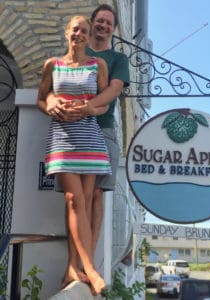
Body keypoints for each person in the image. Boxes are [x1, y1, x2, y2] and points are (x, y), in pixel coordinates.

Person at [45, 3, 130, 290]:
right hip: (68, 134)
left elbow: (113, 90)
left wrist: (86, 108)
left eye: (109, 23)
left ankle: (87, 265)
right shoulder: (74, 53)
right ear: (90, 25)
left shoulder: (116, 59)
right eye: (100, 21)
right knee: (75, 199)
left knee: (94, 196)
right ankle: (74, 265)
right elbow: (48, 92)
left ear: (113, 30)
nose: (103, 26)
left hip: (101, 130)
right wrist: (54, 104)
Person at [37, 15, 112, 295]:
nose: (79, 34)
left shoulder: (98, 65)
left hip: (90, 140)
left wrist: (92, 109)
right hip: (62, 140)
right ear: (67, 32)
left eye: (84, 30)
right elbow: (40, 99)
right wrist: (51, 104)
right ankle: (91, 269)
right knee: (73, 199)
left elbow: (103, 104)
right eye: (75, 29)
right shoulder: (52, 65)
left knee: (84, 203)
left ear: (89, 37)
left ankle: (74, 266)